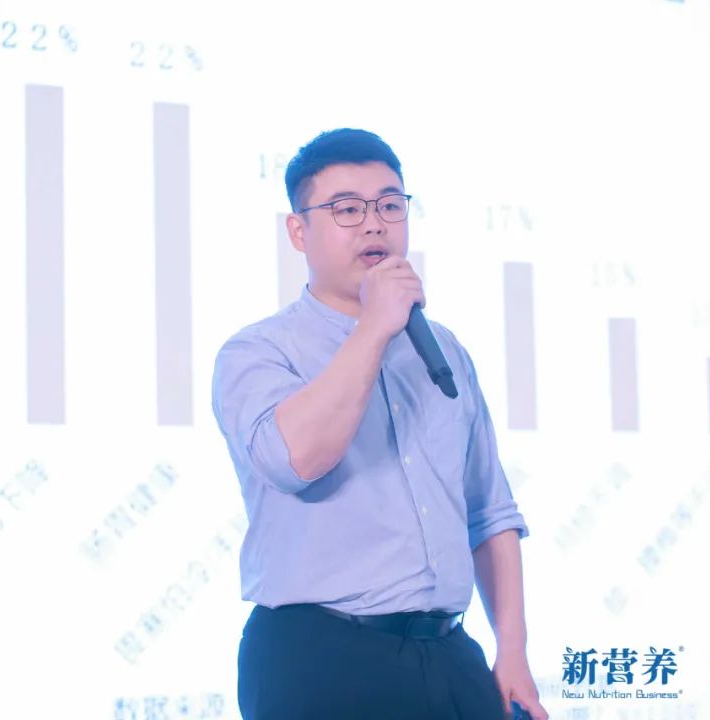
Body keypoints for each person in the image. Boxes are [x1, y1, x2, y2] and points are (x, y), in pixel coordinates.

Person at [212, 128, 548, 720]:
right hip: (320, 656)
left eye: (390, 205)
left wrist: (513, 651)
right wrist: (375, 326)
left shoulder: (443, 349)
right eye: (347, 209)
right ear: (298, 231)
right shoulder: (258, 351)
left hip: (449, 653)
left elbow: (489, 511)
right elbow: (297, 461)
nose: (374, 225)